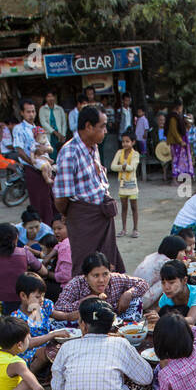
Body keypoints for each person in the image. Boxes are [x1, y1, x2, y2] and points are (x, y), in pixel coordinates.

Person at [50, 297, 154, 390]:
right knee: (137, 382)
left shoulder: (67, 347)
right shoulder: (120, 344)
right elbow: (146, 378)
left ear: (84, 325)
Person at [54, 106, 123, 274]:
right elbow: (62, 198)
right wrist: (71, 214)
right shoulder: (70, 152)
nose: (105, 131)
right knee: (86, 267)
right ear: (88, 127)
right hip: (84, 218)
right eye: (102, 126)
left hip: (102, 215)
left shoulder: (93, 147)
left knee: (108, 264)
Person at [152, 260, 196, 327]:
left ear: (184, 280)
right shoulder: (166, 297)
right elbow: (158, 314)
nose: (166, 287)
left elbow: (191, 320)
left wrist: (162, 320)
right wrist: (152, 317)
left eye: (171, 282)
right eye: (163, 283)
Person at [110, 130, 140, 238]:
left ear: (133, 142)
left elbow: (133, 167)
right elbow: (112, 166)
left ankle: (135, 229)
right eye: (123, 141)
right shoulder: (119, 153)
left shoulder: (136, 154)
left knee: (134, 207)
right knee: (124, 207)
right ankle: (124, 229)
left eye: (127, 141)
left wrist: (122, 167)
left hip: (132, 184)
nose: (125, 144)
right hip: (123, 184)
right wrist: (123, 167)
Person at [165, 100, 193, 180]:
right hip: (176, 143)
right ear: (179, 107)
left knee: (178, 161)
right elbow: (174, 131)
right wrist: (180, 141)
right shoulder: (173, 117)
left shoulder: (176, 116)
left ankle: (179, 178)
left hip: (178, 142)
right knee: (175, 161)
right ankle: (174, 179)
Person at [39, 91, 68, 156]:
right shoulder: (42, 109)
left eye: (52, 96)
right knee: (51, 153)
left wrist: (63, 135)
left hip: (60, 136)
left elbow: (64, 123)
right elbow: (43, 123)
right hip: (49, 135)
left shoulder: (60, 109)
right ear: (45, 98)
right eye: (48, 96)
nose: (51, 98)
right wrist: (55, 132)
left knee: (61, 154)